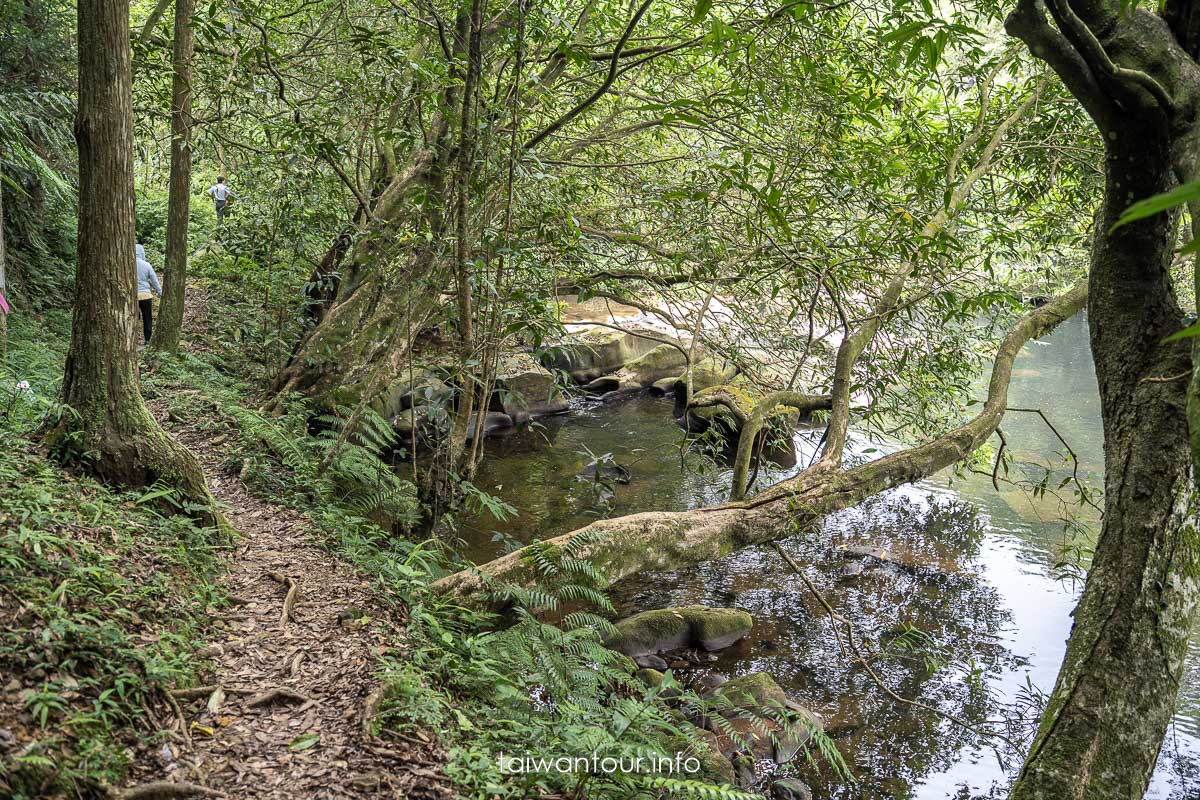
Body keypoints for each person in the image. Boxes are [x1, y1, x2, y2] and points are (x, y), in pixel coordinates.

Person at [136, 244, 161, 345]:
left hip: (132, 296)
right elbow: (154, 281)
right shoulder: (147, 265)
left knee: (133, 318)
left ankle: (133, 340)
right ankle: (147, 340)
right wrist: (160, 292)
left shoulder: (127, 264)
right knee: (147, 318)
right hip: (146, 296)